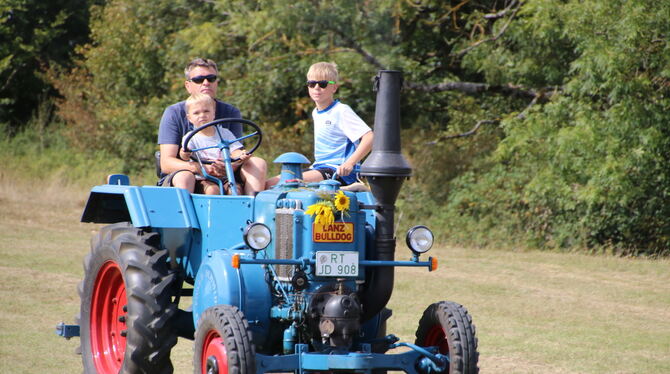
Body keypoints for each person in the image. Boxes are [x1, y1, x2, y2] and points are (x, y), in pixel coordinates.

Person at [157, 58, 267, 194]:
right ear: (188, 85)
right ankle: (182, 212)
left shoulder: (230, 113)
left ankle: (250, 207)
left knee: (257, 163)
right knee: (185, 177)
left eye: (211, 78)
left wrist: (232, 164)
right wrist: (199, 167)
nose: (206, 83)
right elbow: (166, 163)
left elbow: (235, 152)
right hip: (189, 173)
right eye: (199, 79)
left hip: (225, 174)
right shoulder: (173, 113)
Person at [266, 61, 373, 188]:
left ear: (334, 87)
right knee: (269, 184)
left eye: (323, 84)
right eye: (311, 84)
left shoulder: (341, 111)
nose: (316, 88)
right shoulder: (315, 112)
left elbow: (370, 137)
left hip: (338, 172)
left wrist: (350, 163)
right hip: (319, 167)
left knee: (286, 184)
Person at [179, 93, 255, 195]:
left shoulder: (224, 133)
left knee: (236, 190)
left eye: (206, 111)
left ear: (213, 113)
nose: (202, 115)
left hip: (226, 176)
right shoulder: (190, 138)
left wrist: (241, 155)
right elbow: (184, 155)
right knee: (213, 190)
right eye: (196, 113)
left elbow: (235, 151)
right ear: (189, 118)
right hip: (204, 178)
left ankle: (235, 210)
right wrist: (185, 152)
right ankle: (211, 211)